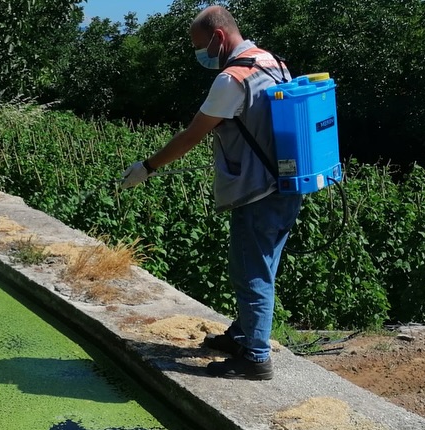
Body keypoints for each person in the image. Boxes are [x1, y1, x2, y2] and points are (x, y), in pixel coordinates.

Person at [119, 6, 299, 381]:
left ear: (218, 38)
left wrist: (147, 167)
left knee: (251, 272)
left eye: (201, 47)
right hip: (285, 184)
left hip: (256, 190)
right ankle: (242, 334)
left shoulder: (232, 79)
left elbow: (191, 134)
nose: (201, 55)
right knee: (261, 265)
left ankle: (255, 357)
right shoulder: (273, 63)